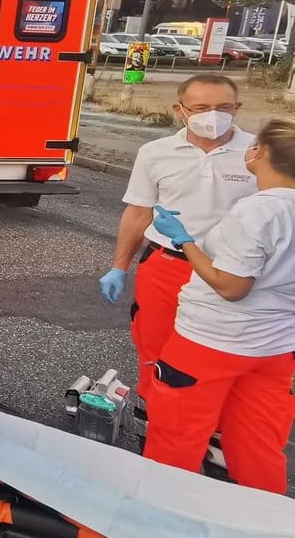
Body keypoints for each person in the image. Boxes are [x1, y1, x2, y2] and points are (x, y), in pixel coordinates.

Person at [142, 117, 295, 492]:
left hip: (210, 342)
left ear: (259, 152)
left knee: (177, 437)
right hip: (274, 348)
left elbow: (231, 286)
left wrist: (185, 242)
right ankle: (260, 525)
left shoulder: (259, 211)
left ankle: (162, 519)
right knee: (259, 442)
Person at [100, 75, 256, 404]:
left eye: (224, 108)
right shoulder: (156, 153)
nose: (214, 116)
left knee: (223, 355)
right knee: (156, 348)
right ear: (180, 110)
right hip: (168, 267)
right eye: (201, 108)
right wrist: (119, 267)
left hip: (232, 273)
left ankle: (212, 433)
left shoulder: (257, 153)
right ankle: (153, 417)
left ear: (237, 108)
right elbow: (138, 212)